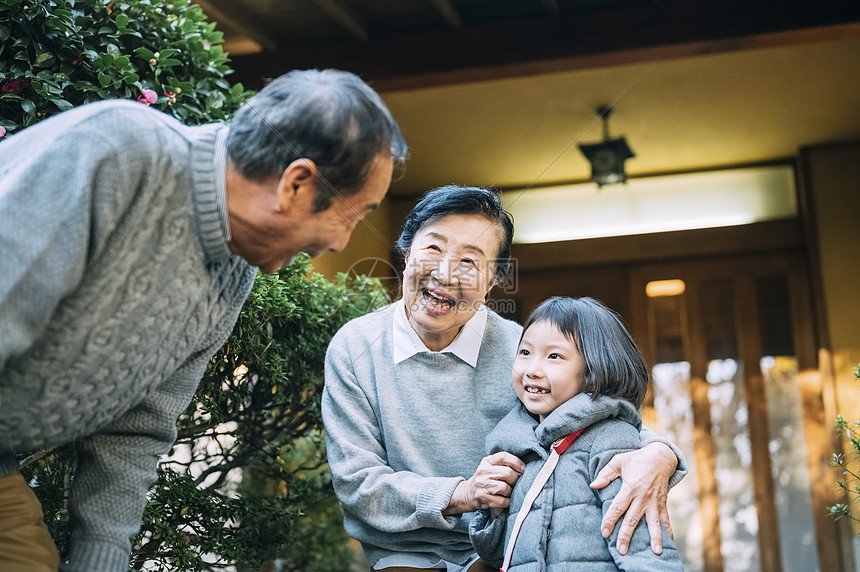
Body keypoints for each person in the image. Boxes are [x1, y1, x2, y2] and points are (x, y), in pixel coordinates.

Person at [0, 68, 407, 572]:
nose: (342, 242)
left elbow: (138, 429)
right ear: (296, 184)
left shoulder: (235, 269)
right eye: (351, 213)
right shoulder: (119, 152)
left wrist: (100, 559)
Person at [322, 186, 686, 572]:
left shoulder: (520, 351)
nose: (445, 272)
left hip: (504, 544)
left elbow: (597, 414)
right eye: (433, 248)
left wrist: (660, 454)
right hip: (403, 551)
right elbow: (358, 485)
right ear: (406, 251)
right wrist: (463, 493)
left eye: (470, 261)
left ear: (493, 282)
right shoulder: (354, 347)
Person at [469, 296, 684, 570]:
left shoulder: (609, 441)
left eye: (554, 356)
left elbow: (645, 549)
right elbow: (502, 555)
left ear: (593, 370)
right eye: (525, 352)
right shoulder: (520, 449)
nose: (532, 370)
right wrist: (495, 511)